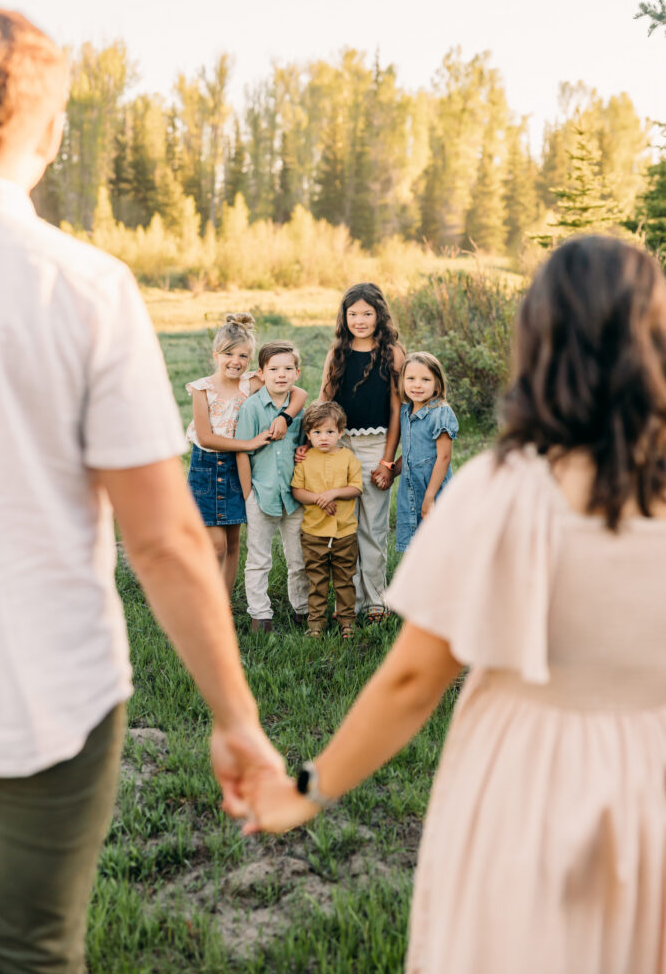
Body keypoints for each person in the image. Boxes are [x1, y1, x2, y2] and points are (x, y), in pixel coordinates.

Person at [241, 236, 666, 974]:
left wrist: (307, 788)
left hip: (526, 775)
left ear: (537, 339)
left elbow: (412, 681)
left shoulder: (507, 489)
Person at [0, 9, 281, 974]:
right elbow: (161, 540)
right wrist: (235, 719)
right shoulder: (80, 287)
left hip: (44, 698)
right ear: (53, 131)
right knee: (28, 953)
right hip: (41, 699)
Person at [185, 312, 306, 596]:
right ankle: (206, 597)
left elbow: (299, 393)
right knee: (216, 546)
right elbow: (205, 437)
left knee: (234, 543)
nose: (235, 362)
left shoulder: (250, 384)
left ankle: (223, 604)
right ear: (216, 354)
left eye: (243, 356)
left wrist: (285, 418)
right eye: (229, 354)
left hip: (238, 467)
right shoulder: (202, 389)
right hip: (207, 468)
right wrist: (249, 444)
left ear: (250, 361)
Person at [315, 282, 405, 622]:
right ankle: (347, 603)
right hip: (339, 446)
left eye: (367, 313)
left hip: (375, 446)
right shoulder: (337, 352)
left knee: (373, 528)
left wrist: (387, 461)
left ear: (379, 315)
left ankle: (376, 601)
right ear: (344, 317)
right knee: (343, 528)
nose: (360, 320)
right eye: (353, 314)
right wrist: (309, 446)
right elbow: (324, 401)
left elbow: (397, 411)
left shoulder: (392, 353)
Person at [235, 340, 309, 632]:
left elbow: (304, 442)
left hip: (293, 496)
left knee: (298, 557)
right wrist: (248, 494)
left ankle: (302, 608)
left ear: (297, 373)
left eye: (288, 368)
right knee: (258, 558)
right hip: (261, 493)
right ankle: (260, 614)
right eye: (274, 369)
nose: (281, 374)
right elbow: (242, 450)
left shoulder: (298, 407)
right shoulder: (252, 408)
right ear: (261, 373)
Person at [291, 401, 363, 639]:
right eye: (317, 432)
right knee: (317, 580)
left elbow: (356, 488)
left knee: (344, 580)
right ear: (308, 435)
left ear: (340, 433)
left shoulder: (348, 457)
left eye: (330, 432)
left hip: (344, 532)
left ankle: (347, 622)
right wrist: (319, 499)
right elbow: (297, 491)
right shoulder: (304, 460)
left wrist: (333, 493)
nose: (324, 437)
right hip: (314, 533)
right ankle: (316, 624)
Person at [393, 352, 458, 552]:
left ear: (437, 384)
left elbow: (444, 457)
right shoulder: (405, 411)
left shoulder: (440, 413)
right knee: (415, 548)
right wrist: (392, 470)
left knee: (437, 545)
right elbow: (411, 453)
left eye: (425, 379)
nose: (417, 385)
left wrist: (430, 496)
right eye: (411, 379)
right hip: (411, 489)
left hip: (432, 487)